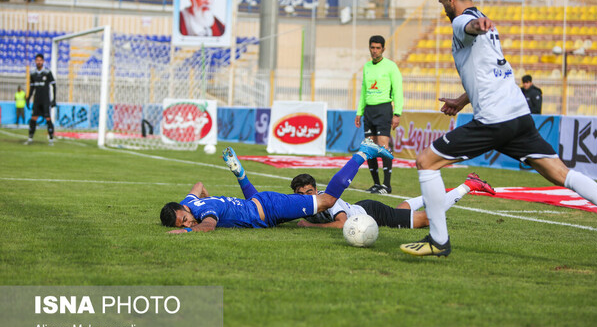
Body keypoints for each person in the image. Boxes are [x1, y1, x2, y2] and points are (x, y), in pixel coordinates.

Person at [400, 0, 597, 257]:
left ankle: (438, 241)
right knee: (561, 173)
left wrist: (477, 26)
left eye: (442, 2)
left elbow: (469, 27)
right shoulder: (488, 24)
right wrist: (462, 100)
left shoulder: (463, 22)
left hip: (494, 119)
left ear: (451, 0)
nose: (442, 8)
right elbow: (490, 70)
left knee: (425, 162)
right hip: (519, 115)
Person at [160, 139, 393, 233]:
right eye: (184, 223)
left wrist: (186, 231)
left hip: (271, 208)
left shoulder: (199, 211)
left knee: (328, 201)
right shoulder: (189, 203)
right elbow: (199, 185)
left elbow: (209, 226)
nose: (188, 222)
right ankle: (241, 174)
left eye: (184, 219)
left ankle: (363, 153)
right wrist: (204, 197)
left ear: (185, 210)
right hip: (258, 203)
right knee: (252, 205)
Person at [288, 172, 495, 229]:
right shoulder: (300, 204)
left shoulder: (328, 199)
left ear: (316, 190)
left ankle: (468, 185)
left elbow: (342, 223)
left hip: (371, 214)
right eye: (302, 194)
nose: (307, 198)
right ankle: (432, 195)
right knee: (400, 213)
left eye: (310, 192)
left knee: (426, 220)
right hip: (364, 208)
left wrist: (309, 226)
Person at [355, 35, 404, 195]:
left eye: (378, 48)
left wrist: (397, 113)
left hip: (384, 109)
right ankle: (376, 184)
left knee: (383, 145)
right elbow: (363, 91)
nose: (375, 50)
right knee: (369, 147)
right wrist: (359, 112)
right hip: (369, 111)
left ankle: (386, 185)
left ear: (383, 49)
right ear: (369, 48)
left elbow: (398, 90)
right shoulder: (367, 66)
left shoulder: (391, 66)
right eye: (372, 47)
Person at [25, 53, 56, 146]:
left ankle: (51, 139)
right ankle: (30, 138)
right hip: (37, 100)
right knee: (33, 118)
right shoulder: (33, 74)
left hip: (45, 100)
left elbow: (54, 85)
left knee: (48, 118)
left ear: (43, 61)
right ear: (35, 61)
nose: (38, 62)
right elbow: (32, 88)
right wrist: (28, 98)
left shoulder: (47, 72)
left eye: (40, 60)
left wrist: (54, 99)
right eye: (37, 60)